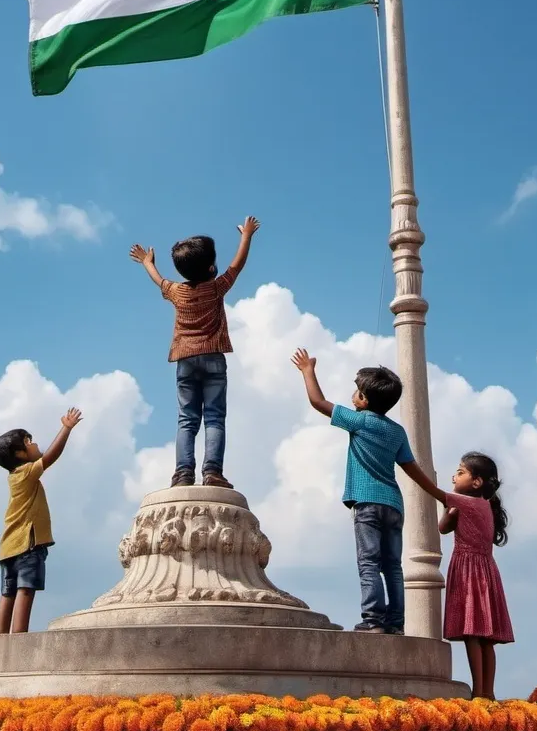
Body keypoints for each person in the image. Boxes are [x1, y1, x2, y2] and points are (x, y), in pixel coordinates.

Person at [291, 347, 429, 635]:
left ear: (364, 400)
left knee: (368, 562)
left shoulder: (360, 420)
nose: (352, 396)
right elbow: (411, 468)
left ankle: (373, 620)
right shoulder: (397, 431)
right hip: (394, 504)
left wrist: (308, 370)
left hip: (367, 502)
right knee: (393, 566)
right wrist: (438, 493)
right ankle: (395, 624)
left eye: (356, 392)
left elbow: (318, 401)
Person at [130, 216, 261, 489]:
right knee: (214, 416)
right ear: (212, 266)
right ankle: (212, 472)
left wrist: (147, 262)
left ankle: (182, 473)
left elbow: (159, 280)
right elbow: (237, 265)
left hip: (185, 360)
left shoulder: (177, 292)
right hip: (213, 358)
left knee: (187, 419)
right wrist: (246, 235)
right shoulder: (216, 288)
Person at [410, 451, 514, 699]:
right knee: (484, 637)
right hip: (486, 570)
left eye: (460, 472)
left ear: (476, 482)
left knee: (473, 634)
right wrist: (450, 511)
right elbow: (444, 528)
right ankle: (487, 691)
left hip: (470, 571)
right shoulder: (481, 505)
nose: (454, 476)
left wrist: (409, 466)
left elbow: (430, 489)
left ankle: (479, 691)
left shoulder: (464, 502)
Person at [0, 409, 82, 635]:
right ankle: (19, 636)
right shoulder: (26, 473)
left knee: (7, 592)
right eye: (28, 441)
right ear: (20, 453)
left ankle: (1, 639)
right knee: (25, 588)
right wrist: (66, 428)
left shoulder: (14, 477)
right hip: (27, 543)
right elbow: (50, 456)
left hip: (8, 546)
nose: (34, 444)